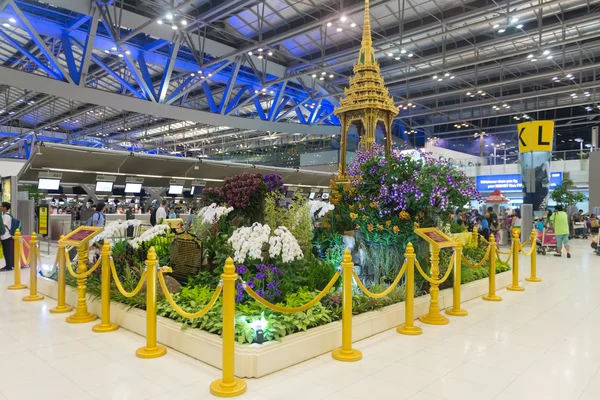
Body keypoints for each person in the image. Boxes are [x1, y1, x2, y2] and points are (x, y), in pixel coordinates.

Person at [0, 202, 14, 271]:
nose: (0, 207)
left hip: (6, 236)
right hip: (6, 236)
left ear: (5, 208)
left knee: (7, 252)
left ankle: (8, 266)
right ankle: (8, 265)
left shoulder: (6, 216)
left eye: (1, 206)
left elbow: (3, 227)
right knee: (6, 251)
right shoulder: (7, 215)